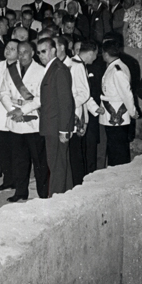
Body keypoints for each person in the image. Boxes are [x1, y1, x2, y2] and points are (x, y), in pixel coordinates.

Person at [0, 41, 48, 202]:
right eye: (19, 53)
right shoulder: (11, 70)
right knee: (19, 160)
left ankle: (43, 193)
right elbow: (3, 93)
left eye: (25, 52)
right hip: (15, 122)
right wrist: (12, 111)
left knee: (39, 161)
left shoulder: (41, 71)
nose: (21, 56)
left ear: (32, 53)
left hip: (33, 122)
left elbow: (42, 98)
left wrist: (23, 111)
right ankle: (20, 192)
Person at [37, 37, 75, 197]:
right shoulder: (51, 68)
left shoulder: (59, 70)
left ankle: (55, 199)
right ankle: (66, 196)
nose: (40, 55)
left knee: (57, 165)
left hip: (56, 126)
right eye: (38, 52)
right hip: (51, 125)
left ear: (53, 50)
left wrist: (63, 130)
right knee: (59, 164)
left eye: (43, 51)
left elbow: (66, 102)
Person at [56, 35, 89, 187]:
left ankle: (77, 186)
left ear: (62, 48)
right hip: (56, 116)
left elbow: (84, 93)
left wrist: (67, 105)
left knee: (74, 154)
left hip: (72, 114)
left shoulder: (75, 65)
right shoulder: (52, 65)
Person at [100, 38, 137, 166]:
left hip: (117, 114)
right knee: (114, 146)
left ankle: (119, 173)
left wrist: (132, 112)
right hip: (110, 114)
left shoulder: (117, 70)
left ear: (105, 53)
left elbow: (126, 93)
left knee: (118, 148)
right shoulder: (114, 67)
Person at [0, 39, 20, 193]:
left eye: (13, 49)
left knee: (14, 148)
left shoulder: (20, 67)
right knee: (1, 149)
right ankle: (7, 180)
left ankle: (16, 180)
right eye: (7, 48)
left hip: (13, 110)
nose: (8, 51)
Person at [76, 41, 104, 175]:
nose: (95, 58)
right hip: (75, 111)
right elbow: (82, 93)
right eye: (95, 54)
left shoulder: (81, 65)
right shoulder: (76, 66)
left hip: (83, 110)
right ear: (90, 53)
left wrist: (94, 108)